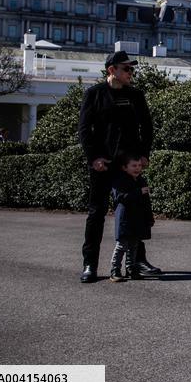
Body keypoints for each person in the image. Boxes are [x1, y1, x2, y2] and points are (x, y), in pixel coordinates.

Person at [77, 51, 161, 283]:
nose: (131, 73)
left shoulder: (135, 95)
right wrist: (94, 158)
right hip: (102, 164)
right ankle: (89, 264)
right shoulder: (94, 94)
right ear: (112, 70)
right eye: (126, 69)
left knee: (135, 211)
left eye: (132, 69)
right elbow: (85, 130)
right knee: (96, 214)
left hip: (129, 165)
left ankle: (138, 261)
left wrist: (143, 154)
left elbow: (147, 127)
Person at [108, 153, 155, 282]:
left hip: (138, 218)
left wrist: (149, 217)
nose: (137, 168)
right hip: (125, 218)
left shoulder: (141, 180)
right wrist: (138, 192)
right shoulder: (120, 181)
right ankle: (115, 269)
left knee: (134, 245)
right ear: (124, 168)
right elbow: (120, 197)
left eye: (139, 165)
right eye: (134, 165)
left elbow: (146, 202)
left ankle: (131, 268)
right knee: (122, 245)